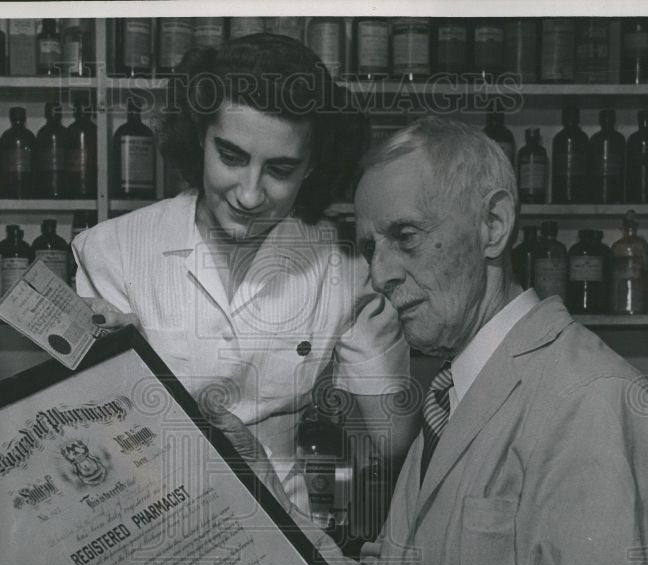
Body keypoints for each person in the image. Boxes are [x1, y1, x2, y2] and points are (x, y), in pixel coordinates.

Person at [197, 118, 648, 565]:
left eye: (406, 237)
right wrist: (255, 491)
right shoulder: (454, 397)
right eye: (370, 247)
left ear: (494, 225)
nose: (381, 276)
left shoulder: (590, 400)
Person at [73, 34, 418, 516]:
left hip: (286, 529)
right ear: (200, 136)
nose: (250, 195)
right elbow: (89, 436)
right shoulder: (111, 251)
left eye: (280, 169)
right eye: (232, 158)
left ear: (312, 166)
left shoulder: (343, 266)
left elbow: (392, 439)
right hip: (143, 519)